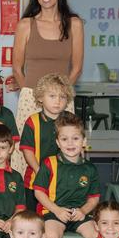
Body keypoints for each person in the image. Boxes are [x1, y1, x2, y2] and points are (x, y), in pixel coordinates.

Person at [11, 0, 83, 175]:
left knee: (64, 149)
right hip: (30, 99)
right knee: (26, 153)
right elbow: (17, 67)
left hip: (63, 100)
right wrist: (33, 95)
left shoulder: (74, 24)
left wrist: (60, 95)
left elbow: (76, 68)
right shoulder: (25, 25)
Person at [34, 112, 99, 238]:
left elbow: (94, 199)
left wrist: (84, 211)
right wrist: (56, 210)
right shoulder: (49, 163)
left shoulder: (90, 168)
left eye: (75, 138)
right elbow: (39, 193)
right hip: (54, 211)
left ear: (84, 142)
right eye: (64, 139)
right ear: (58, 142)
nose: (70, 143)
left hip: (79, 213)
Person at [19, 73, 74, 211]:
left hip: (64, 181)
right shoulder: (32, 121)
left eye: (62, 97)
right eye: (52, 96)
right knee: (33, 220)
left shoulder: (71, 120)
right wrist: (39, 171)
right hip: (35, 179)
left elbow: (78, 149)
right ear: (40, 98)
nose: (57, 101)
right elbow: (27, 150)